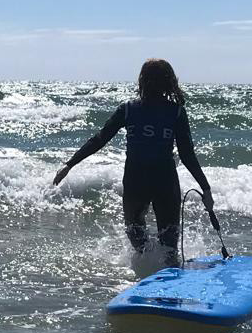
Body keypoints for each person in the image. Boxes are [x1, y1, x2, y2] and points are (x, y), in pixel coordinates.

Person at [51, 58, 212, 261]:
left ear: (141, 80)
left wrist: (69, 164)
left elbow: (99, 140)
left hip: (141, 182)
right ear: (169, 81)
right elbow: (187, 155)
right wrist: (205, 188)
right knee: (167, 248)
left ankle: (149, 273)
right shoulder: (132, 110)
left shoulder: (172, 112)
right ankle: (162, 276)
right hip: (160, 183)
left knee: (139, 241)